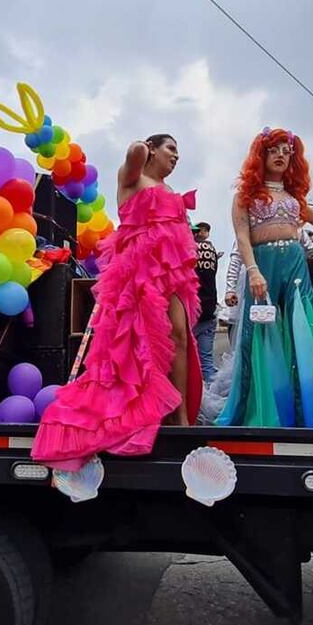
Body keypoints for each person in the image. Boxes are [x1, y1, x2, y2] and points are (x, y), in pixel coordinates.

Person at [31, 134, 201, 470]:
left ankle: (180, 416)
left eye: (178, 152)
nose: (176, 157)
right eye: (171, 149)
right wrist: (142, 146)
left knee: (180, 336)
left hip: (171, 270)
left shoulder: (169, 191)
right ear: (153, 149)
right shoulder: (133, 177)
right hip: (138, 270)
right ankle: (148, 410)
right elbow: (133, 152)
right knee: (140, 343)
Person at [210, 128, 313, 428]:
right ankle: (265, 409)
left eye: (287, 151)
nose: (282, 155)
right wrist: (253, 271)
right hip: (263, 266)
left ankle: (308, 409)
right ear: (262, 155)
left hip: (294, 264)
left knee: (303, 331)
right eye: (275, 150)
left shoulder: (295, 197)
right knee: (262, 335)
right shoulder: (245, 195)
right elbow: (242, 238)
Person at [192, 222, 219, 382]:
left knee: (188, 360)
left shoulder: (190, 250)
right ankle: (212, 397)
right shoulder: (212, 250)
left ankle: (195, 401)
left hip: (193, 310)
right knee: (207, 362)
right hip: (210, 309)